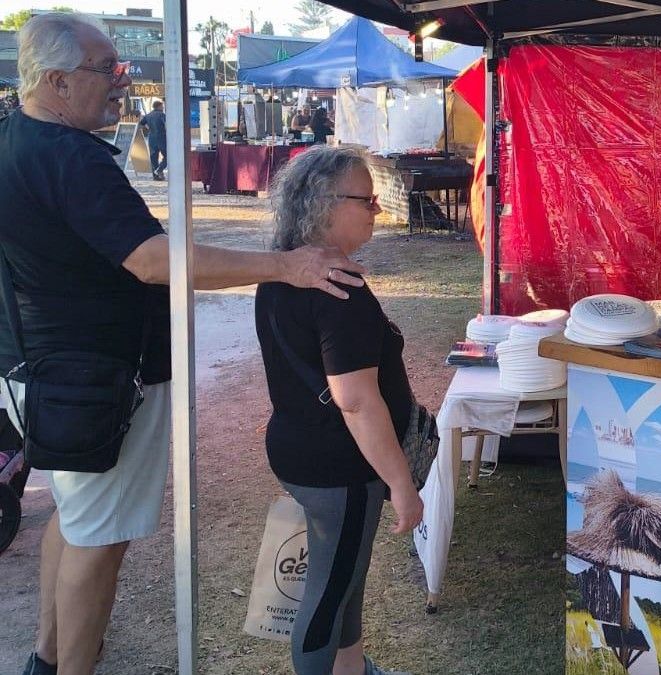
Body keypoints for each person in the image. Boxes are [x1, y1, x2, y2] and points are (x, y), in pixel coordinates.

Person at [0, 14, 367, 675]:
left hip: (54, 371)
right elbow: (150, 260)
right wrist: (286, 265)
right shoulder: (68, 155)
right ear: (54, 81)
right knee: (97, 536)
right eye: (105, 70)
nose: (121, 82)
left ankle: (48, 660)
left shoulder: (17, 134)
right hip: (97, 378)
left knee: (75, 518)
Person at [256, 145, 423, 675]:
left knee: (343, 578)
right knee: (327, 595)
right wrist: (401, 483)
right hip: (339, 467)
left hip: (306, 452)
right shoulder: (336, 288)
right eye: (367, 199)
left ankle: (353, 669)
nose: (378, 209)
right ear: (325, 204)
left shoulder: (286, 273)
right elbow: (354, 399)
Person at [138, 99, 167, 180]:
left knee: (153, 158)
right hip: (162, 137)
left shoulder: (148, 115)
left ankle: (156, 176)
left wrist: (148, 127)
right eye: (162, 106)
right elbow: (166, 125)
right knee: (167, 156)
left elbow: (140, 125)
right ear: (159, 106)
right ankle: (159, 170)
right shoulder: (162, 115)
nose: (163, 107)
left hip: (151, 138)